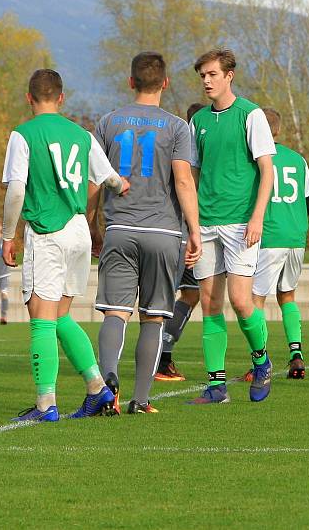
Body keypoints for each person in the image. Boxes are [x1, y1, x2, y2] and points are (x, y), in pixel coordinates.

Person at [1, 68, 129, 423]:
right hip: (78, 231)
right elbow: (112, 179)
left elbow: (15, 190)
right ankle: (97, 388)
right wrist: (122, 186)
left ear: (29, 99)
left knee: (41, 320)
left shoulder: (23, 134)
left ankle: (46, 406)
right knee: (60, 316)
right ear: (61, 98)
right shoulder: (82, 135)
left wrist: (8, 235)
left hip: (47, 231)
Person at [90, 52, 201, 414]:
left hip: (120, 228)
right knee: (153, 316)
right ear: (165, 84)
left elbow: (96, 179)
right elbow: (183, 179)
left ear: (130, 81)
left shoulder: (108, 122)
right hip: (164, 232)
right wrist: (195, 231)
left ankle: (106, 389)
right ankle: (141, 398)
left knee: (115, 313)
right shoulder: (177, 127)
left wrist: (92, 222)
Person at [187, 48, 276, 404]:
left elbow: (267, 170)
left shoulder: (251, 115)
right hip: (206, 223)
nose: (206, 81)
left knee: (241, 301)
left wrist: (257, 217)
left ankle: (262, 361)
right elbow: (191, 176)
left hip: (241, 222)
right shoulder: (199, 122)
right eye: (202, 76)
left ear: (229, 76)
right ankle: (216, 386)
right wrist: (190, 226)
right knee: (209, 304)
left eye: (211, 75)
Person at [250, 107, 309, 380]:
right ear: (279, 130)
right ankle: (296, 354)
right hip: (296, 237)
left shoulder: (257, 159)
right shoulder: (299, 160)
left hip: (270, 236)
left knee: (255, 300)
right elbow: (307, 201)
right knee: (287, 296)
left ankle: (260, 362)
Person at [156, 101, 205, 382]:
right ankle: (159, 360)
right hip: (179, 234)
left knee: (191, 294)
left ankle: (165, 354)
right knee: (165, 297)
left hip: (188, 234)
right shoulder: (184, 148)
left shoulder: (184, 145)